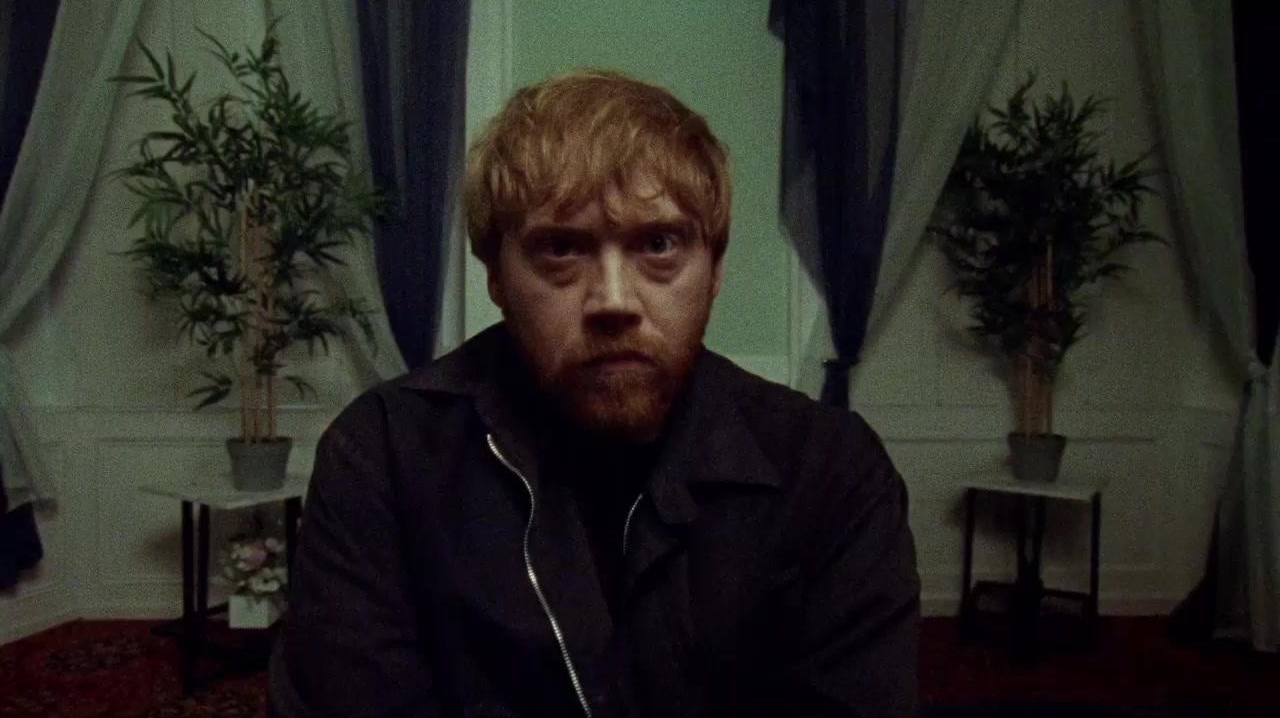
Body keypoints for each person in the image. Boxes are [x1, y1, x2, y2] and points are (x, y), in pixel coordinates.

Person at [269, 69, 919, 718]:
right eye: (561, 249)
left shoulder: (830, 470)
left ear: (714, 269)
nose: (613, 300)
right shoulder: (384, 457)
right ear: (496, 276)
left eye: (659, 245)